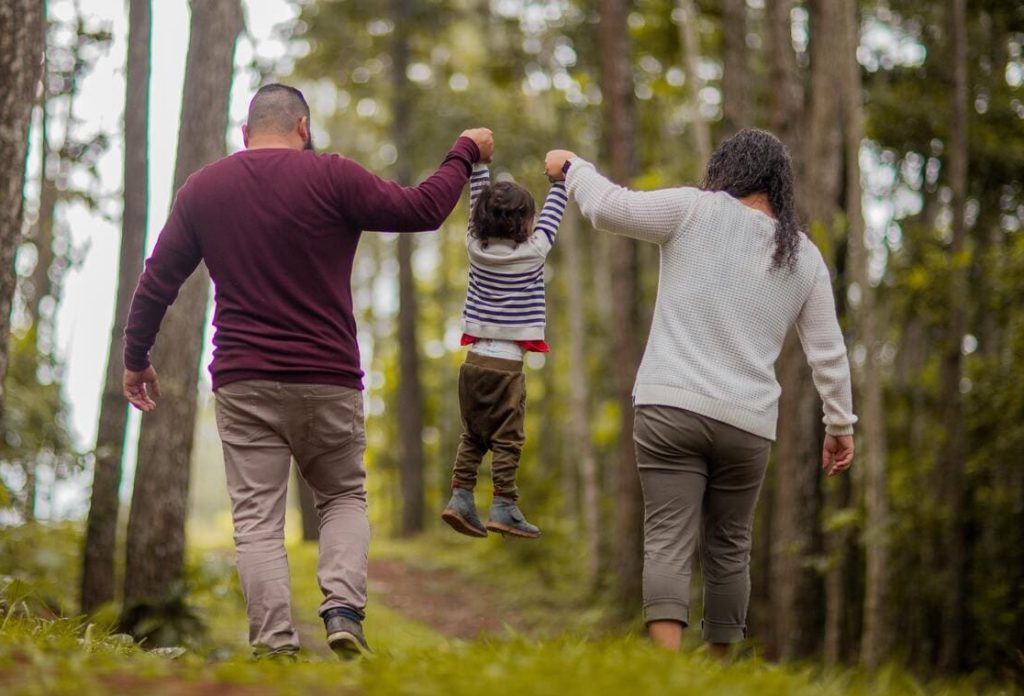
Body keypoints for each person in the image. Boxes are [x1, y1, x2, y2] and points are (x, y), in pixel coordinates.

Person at [121, 83, 493, 659]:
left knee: (257, 522)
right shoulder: (333, 176)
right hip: (328, 376)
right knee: (343, 495)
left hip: (243, 380)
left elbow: (158, 281)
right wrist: (464, 150)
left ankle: (274, 645)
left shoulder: (205, 188)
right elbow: (423, 210)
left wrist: (136, 358)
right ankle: (344, 611)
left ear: (246, 135)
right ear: (303, 127)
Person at [544, 129, 856, 656]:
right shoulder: (803, 257)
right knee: (731, 549)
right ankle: (718, 673)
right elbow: (828, 352)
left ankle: (667, 673)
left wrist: (574, 166)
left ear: (727, 170)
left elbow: (608, 209)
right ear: (780, 185)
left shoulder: (693, 209)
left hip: (670, 407)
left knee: (668, 538)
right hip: (748, 424)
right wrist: (840, 425)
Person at [440, 160, 568, 539]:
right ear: (525, 224)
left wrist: (479, 164)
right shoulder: (534, 251)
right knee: (507, 439)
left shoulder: (474, 248)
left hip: (474, 363)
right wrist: (560, 180)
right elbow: (554, 213)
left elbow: (475, 201)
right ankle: (503, 504)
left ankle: (460, 496)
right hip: (507, 368)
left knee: (473, 435)